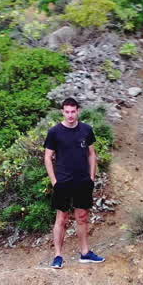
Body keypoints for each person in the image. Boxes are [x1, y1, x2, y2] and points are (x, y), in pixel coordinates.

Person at [44, 98, 104, 268]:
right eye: (67, 111)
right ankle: (58, 256)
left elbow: (91, 154)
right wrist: (54, 181)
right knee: (61, 218)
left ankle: (85, 253)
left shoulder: (86, 129)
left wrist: (92, 176)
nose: (70, 115)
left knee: (82, 217)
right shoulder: (54, 132)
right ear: (62, 112)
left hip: (82, 181)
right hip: (63, 181)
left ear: (78, 111)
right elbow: (47, 157)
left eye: (73, 111)